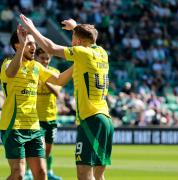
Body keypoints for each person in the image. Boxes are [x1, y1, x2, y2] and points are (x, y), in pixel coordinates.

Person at [20, 14, 114, 180]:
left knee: (84, 174)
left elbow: (50, 48)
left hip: (90, 118)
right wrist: (76, 27)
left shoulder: (81, 53)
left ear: (78, 42)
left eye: (73, 38)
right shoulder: (102, 53)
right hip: (105, 119)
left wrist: (32, 29)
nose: (71, 41)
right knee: (99, 176)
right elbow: (89, 38)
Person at [0, 25, 72, 180]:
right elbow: (11, 73)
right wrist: (21, 49)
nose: (34, 47)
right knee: (18, 174)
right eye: (29, 43)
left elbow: (58, 80)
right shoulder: (7, 63)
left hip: (34, 127)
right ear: (17, 45)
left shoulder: (36, 67)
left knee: (41, 173)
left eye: (34, 44)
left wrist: (78, 64)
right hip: (13, 127)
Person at [24, 48, 62, 180]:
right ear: (37, 59)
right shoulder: (32, 72)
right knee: (36, 148)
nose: (45, 61)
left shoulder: (55, 73)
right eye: (42, 58)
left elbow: (57, 93)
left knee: (47, 150)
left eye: (48, 58)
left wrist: (45, 79)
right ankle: (29, 172)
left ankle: (48, 171)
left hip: (51, 117)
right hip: (35, 118)